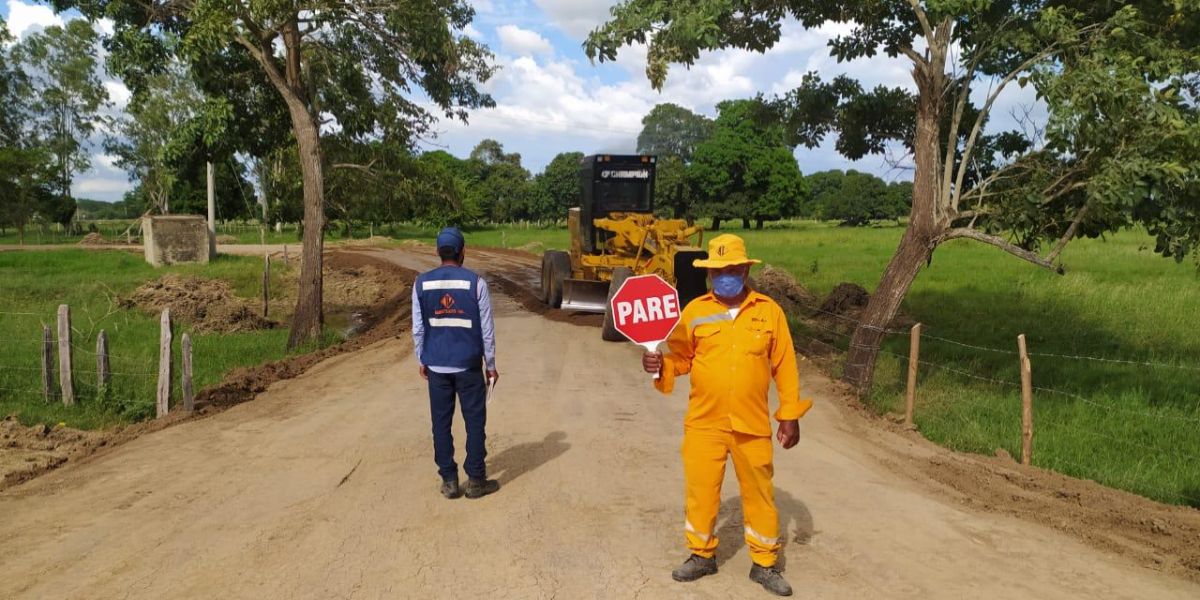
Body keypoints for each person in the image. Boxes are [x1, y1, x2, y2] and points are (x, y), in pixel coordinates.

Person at [642, 233, 811, 597]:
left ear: (745, 270)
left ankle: (764, 564)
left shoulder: (769, 312)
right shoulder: (696, 312)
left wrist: (789, 414)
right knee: (701, 492)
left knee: (760, 494)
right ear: (708, 274)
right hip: (705, 423)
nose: (725, 276)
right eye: (718, 270)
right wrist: (658, 366)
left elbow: (786, 366)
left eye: (732, 269)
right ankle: (702, 555)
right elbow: (680, 358)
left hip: (752, 425)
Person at [412, 227, 500, 500]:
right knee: (475, 422)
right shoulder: (476, 283)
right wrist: (491, 365)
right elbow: (486, 330)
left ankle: (449, 481)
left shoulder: (421, 284)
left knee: (441, 423)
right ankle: (475, 480)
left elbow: (418, 328)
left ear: (438, 252)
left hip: (437, 365)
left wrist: (422, 358)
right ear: (463, 251)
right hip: (469, 365)